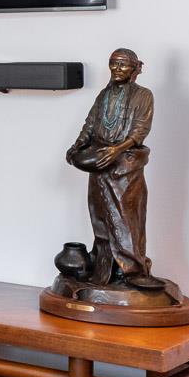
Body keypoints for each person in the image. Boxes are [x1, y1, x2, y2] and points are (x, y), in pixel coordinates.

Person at [65, 48, 161, 290]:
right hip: (99, 161)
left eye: (123, 65)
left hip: (125, 163)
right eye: (113, 64)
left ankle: (133, 271)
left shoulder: (143, 96)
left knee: (127, 216)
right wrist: (77, 147)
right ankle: (104, 268)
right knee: (100, 214)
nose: (117, 69)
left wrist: (117, 150)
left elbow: (140, 129)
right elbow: (90, 123)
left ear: (134, 69)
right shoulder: (104, 95)